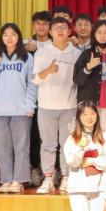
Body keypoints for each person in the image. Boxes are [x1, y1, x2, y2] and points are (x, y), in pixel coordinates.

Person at [0, 23, 37, 193]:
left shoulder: (27, 58)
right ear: (1, 37)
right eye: (5, 34)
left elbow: (32, 84)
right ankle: (6, 179)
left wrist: (30, 106)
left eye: (13, 34)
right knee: (1, 147)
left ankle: (19, 180)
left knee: (21, 146)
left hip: (21, 109)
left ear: (19, 37)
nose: (9, 38)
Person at [33, 16, 81, 193]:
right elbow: (34, 79)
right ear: (50, 31)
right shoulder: (42, 53)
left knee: (68, 144)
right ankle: (48, 178)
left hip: (69, 106)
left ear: (69, 31)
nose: (60, 31)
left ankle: (67, 177)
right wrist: (48, 71)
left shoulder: (76, 54)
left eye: (63, 27)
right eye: (56, 28)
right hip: (46, 106)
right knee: (48, 144)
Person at [74, 20, 106, 143]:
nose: (103, 35)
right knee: (88, 139)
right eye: (99, 32)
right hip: (89, 106)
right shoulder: (86, 54)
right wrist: (88, 68)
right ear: (94, 34)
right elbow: (77, 80)